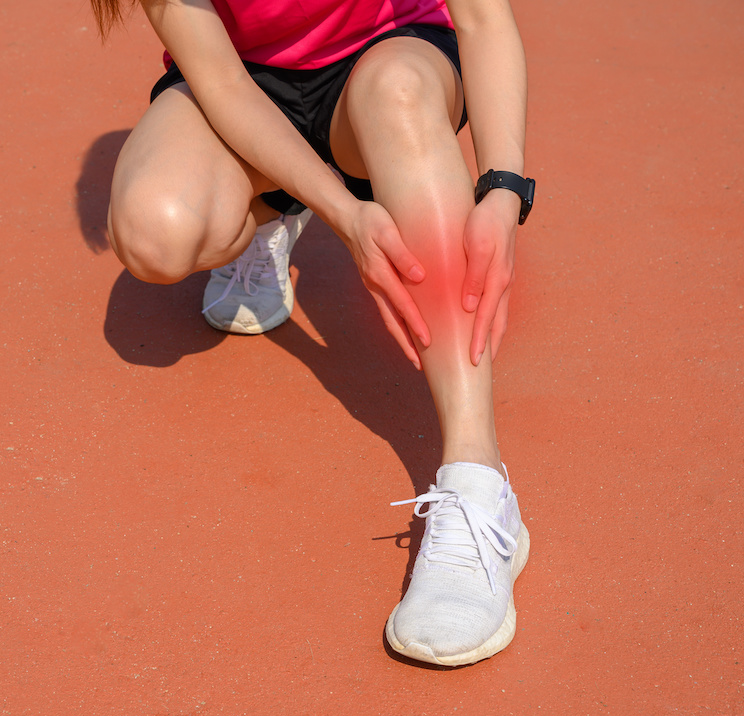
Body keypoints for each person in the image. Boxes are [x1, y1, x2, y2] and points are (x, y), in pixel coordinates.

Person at [91, 0, 536, 666]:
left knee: (400, 94)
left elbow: (483, 20)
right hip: (249, 82)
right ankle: (273, 209)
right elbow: (223, 83)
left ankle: (479, 486)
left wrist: (502, 188)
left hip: (388, 60)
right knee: (156, 228)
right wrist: (343, 213)